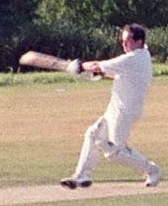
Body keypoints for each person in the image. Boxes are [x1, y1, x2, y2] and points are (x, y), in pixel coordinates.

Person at [60, 23, 162, 189]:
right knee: (93, 134)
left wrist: (80, 66)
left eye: (127, 41)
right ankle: (82, 175)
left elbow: (99, 65)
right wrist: (94, 72)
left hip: (125, 112)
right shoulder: (141, 54)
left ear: (139, 42)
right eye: (122, 41)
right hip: (116, 108)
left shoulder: (134, 58)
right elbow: (113, 72)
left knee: (115, 152)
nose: (124, 45)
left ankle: (152, 170)